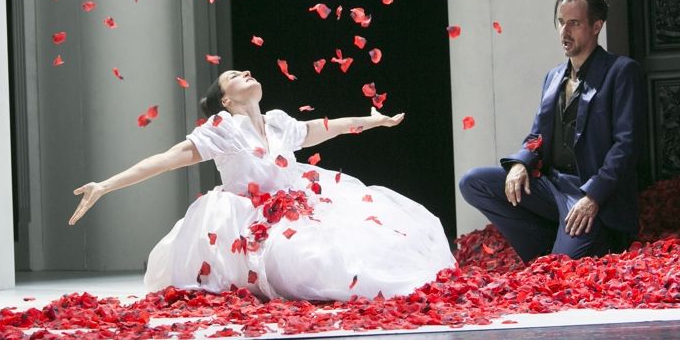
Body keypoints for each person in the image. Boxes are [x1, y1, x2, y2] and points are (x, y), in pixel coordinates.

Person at [70, 69, 455, 301]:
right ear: (225, 99)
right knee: (309, 262)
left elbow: (322, 128)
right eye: (235, 76)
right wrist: (105, 185)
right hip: (251, 218)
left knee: (372, 234)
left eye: (245, 72)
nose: (246, 73)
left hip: (300, 203)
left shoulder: (277, 122)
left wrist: (373, 121)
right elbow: (167, 159)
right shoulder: (222, 129)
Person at [459, 0, 646, 262]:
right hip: (551, 185)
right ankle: (548, 243)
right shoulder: (554, 76)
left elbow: (625, 147)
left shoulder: (621, 71)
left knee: (563, 268)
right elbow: (538, 136)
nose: (564, 32)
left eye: (574, 23)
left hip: (587, 191)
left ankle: (576, 241)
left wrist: (592, 197)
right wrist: (521, 163)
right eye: (561, 23)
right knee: (473, 183)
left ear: (596, 26)